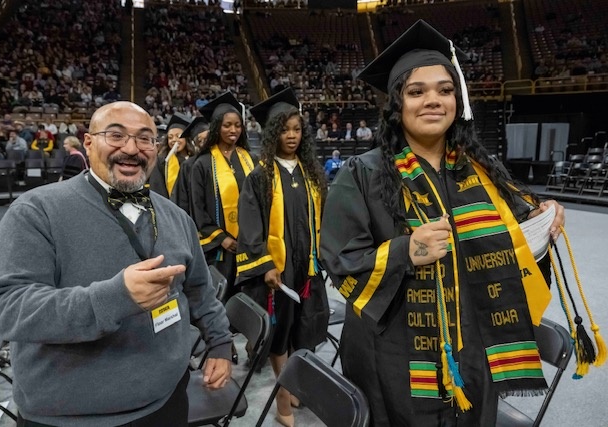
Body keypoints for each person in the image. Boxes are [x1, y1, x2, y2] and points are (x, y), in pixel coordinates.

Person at [319, 20, 565, 427]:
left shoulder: (483, 172)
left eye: (445, 90)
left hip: (477, 346)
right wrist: (406, 250)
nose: (433, 100)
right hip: (396, 355)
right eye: (416, 92)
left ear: (457, 100)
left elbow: (521, 238)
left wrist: (546, 217)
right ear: (397, 104)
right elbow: (340, 261)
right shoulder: (363, 174)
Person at [0, 101, 232, 427]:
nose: (131, 148)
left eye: (145, 138)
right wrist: (116, 297)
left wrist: (220, 343)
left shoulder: (176, 217)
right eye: (116, 136)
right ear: (88, 143)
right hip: (72, 417)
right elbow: (9, 309)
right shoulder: (37, 210)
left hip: (168, 402)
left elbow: (200, 291)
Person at [237, 88, 329, 427]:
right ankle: (282, 403)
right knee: (281, 335)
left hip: (308, 270)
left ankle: (295, 385)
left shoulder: (312, 175)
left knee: (305, 330)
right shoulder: (259, 177)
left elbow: (326, 220)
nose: (291, 136)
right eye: (285, 129)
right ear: (272, 133)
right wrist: (266, 265)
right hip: (278, 272)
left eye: (297, 129)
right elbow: (250, 228)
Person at [191, 91, 257, 301]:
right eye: (227, 125)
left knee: (250, 298)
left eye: (237, 125)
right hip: (221, 249)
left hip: (251, 244)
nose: (233, 130)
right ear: (217, 127)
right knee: (223, 299)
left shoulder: (250, 158)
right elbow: (197, 208)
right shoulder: (202, 164)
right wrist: (222, 238)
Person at [148, 113, 193, 206]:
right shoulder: (162, 161)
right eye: (170, 137)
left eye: (178, 136)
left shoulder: (194, 160)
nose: (174, 140)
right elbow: (158, 189)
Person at [178, 116, 210, 215]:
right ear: (194, 144)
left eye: (207, 138)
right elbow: (183, 199)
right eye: (199, 140)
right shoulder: (188, 165)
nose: (204, 143)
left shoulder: (221, 160)